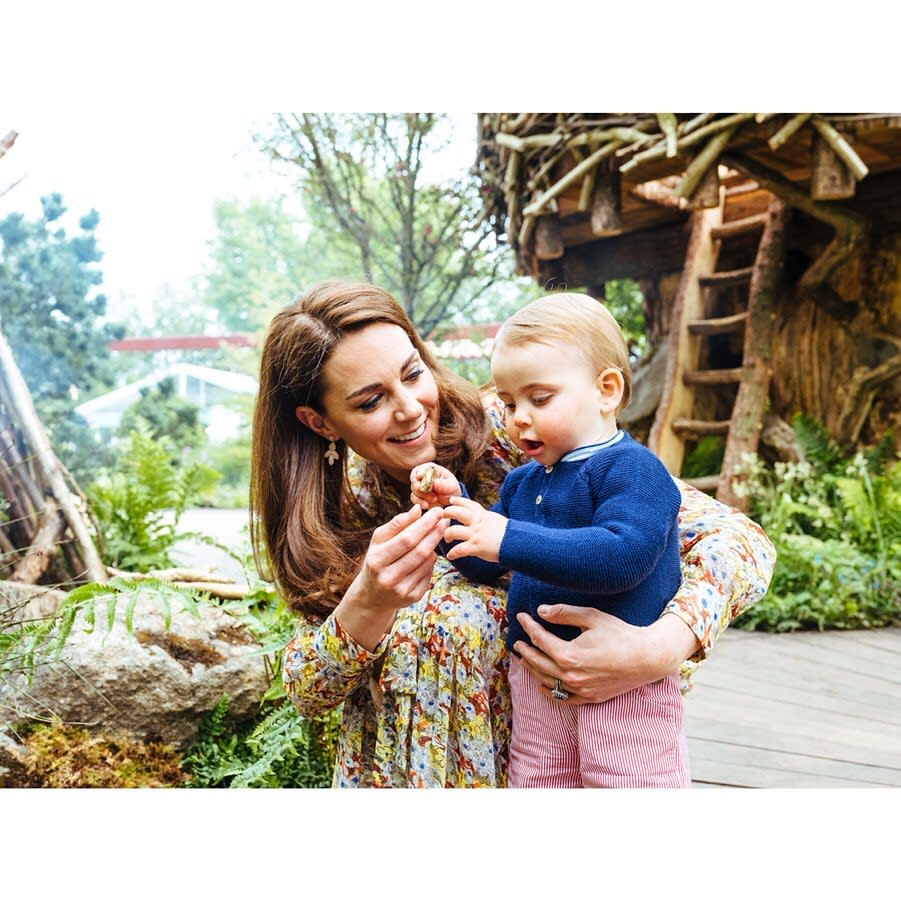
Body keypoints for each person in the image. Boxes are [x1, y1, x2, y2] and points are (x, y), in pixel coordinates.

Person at [250, 279, 776, 788]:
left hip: (576, 745)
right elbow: (307, 689)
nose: (410, 408)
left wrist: (660, 649)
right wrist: (367, 603)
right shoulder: (333, 514)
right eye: (370, 402)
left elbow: (739, 540)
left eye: (413, 374)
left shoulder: (523, 430)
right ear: (320, 423)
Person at [410, 293, 688, 787]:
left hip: (622, 686)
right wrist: (451, 513)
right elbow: (483, 561)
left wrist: (508, 538)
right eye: (510, 402)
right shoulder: (522, 482)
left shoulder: (634, 470)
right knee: (538, 782)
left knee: (628, 782)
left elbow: (623, 556)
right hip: (535, 681)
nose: (519, 417)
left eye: (540, 399)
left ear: (606, 391)